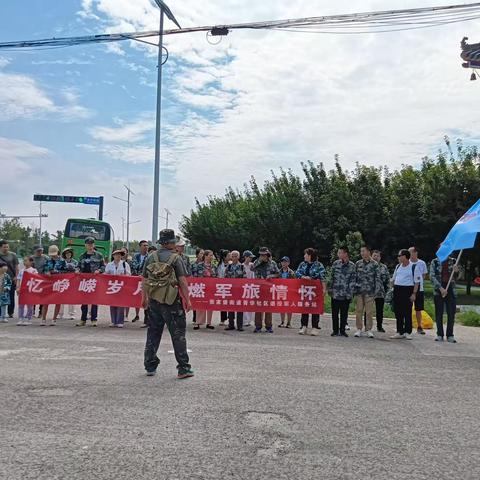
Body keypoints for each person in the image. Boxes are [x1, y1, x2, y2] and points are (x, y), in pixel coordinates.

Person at [142, 229, 194, 379]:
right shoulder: (176, 258)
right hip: (172, 301)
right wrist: (187, 299)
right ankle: (183, 368)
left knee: (153, 332)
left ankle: (150, 365)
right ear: (171, 243)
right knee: (178, 334)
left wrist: (144, 298)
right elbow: (182, 281)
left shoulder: (151, 257)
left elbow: (144, 279)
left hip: (154, 300)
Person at [390, 249, 421, 340]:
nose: (398, 257)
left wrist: (414, 294)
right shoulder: (398, 266)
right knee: (398, 312)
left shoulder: (414, 267)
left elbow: (417, 282)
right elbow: (394, 278)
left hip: (407, 290)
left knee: (407, 312)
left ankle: (408, 332)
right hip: (397, 290)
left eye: (399, 256)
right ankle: (400, 331)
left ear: (405, 256)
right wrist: (391, 286)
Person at [295, 248, 326, 336]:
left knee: (315, 308)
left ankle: (315, 327)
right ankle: (304, 326)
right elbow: (297, 273)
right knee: (304, 307)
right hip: (304, 289)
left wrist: (324, 289)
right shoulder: (302, 264)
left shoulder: (319, 265)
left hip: (315, 290)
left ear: (310, 256)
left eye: (306, 254)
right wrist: (303, 277)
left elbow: (323, 277)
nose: (304, 256)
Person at [430, 254, 459, 343]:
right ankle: (440, 334)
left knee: (451, 313)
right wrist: (440, 288)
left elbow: (457, 277)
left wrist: (456, 271)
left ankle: (450, 335)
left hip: (450, 288)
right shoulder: (435, 261)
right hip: (439, 289)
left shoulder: (454, 261)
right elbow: (432, 276)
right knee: (439, 313)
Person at [354, 246, 382, 338]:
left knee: (369, 311)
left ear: (368, 252)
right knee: (359, 310)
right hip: (359, 291)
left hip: (370, 291)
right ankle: (359, 329)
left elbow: (378, 278)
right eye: (361, 251)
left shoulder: (374, 264)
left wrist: (376, 291)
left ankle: (369, 329)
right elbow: (355, 277)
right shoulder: (358, 263)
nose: (361, 253)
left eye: (363, 251)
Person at [76, 237, 105, 327]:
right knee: (84, 301)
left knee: (94, 300)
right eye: (88, 244)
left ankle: (94, 319)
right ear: (85, 245)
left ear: (94, 245)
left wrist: (99, 271)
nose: (90, 246)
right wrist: (77, 270)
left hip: (94, 281)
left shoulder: (99, 255)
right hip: (84, 281)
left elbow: (103, 267)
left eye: (92, 244)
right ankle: (83, 319)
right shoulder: (82, 256)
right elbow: (78, 266)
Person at [328, 247, 356, 337]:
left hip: (345, 294)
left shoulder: (352, 266)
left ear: (345, 254)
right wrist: (330, 289)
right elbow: (331, 277)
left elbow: (353, 280)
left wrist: (349, 293)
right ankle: (335, 330)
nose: (338, 254)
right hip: (335, 293)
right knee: (334, 313)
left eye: (340, 252)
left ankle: (342, 330)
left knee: (344, 314)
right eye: (338, 253)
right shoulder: (336, 264)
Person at [252, 247, 279, 333]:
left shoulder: (272, 263)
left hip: (268, 288)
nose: (263, 256)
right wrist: (260, 261)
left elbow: (278, 273)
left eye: (264, 254)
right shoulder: (257, 262)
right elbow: (251, 268)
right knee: (258, 307)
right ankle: (258, 326)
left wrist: (271, 276)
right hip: (258, 288)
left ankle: (269, 326)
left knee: (268, 308)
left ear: (267, 254)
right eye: (261, 254)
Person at [105, 249, 131, 328]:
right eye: (116, 255)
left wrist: (124, 275)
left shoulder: (125, 264)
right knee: (112, 304)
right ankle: (113, 321)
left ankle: (120, 321)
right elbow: (105, 274)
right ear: (113, 256)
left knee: (121, 304)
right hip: (112, 286)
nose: (118, 256)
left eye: (120, 255)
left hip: (121, 286)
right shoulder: (109, 264)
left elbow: (129, 275)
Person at [192, 249, 216, 330]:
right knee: (199, 304)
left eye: (212, 255)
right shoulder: (199, 265)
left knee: (210, 304)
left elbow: (216, 277)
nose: (212, 257)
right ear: (205, 256)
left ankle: (209, 323)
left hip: (211, 288)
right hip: (201, 287)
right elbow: (195, 276)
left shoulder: (213, 266)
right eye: (210, 255)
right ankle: (198, 322)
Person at [225, 250, 246, 331]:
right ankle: (231, 325)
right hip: (230, 290)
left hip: (239, 290)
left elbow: (245, 278)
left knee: (240, 308)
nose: (234, 258)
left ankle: (240, 326)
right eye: (232, 256)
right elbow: (225, 277)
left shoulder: (242, 266)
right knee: (230, 308)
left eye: (235, 256)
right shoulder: (229, 266)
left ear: (238, 257)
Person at [409, 246, 428, 335]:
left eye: (411, 252)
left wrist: (418, 282)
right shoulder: (407, 263)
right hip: (408, 288)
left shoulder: (422, 263)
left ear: (416, 253)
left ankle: (419, 326)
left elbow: (424, 275)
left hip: (419, 289)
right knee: (407, 308)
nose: (409, 254)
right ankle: (407, 325)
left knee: (418, 309)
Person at [41, 245, 62, 326]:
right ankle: (43, 319)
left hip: (59, 283)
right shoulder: (48, 261)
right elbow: (44, 270)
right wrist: (47, 272)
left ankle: (54, 319)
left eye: (54, 254)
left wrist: (56, 272)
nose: (53, 255)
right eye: (52, 254)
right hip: (48, 283)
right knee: (46, 301)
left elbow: (66, 270)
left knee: (58, 302)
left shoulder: (62, 261)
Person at [371, 250, 390, 333]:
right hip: (369, 292)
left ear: (380, 257)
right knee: (368, 310)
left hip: (380, 293)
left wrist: (387, 291)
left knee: (380, 311)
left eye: (377, 256)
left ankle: (379, 326)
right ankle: (367, 326)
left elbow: (387, 280)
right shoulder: (369, 266)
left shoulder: (383, 267)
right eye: (374, 255)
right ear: (371, 256)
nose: (376, 257)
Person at [56, 248, 78, 320]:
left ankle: (72, 314)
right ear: (64, 255)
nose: (68, 254)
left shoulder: (75, 262)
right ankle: (60, 314)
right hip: (62, 282)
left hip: (72, 282)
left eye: (69, 253)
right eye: (66, 253)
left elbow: (77, 270)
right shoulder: (61, 262)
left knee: (72, 299)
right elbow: (57, 269)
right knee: (61, 298)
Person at [131, 240, 150, 324]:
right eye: (144, 245)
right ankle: (136, 315)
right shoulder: (136, 256)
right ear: (140, 247)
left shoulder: (150, 257)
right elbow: (134, 266)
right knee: (137, 297)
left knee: (147, 298)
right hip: (136, 279)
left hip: (147, 280)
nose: (146, 247)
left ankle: (147, 320)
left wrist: (144, 274)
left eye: (147, 245)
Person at [0, 240, 19, 319]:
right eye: (4, 247)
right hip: (1, 279)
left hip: (11, 279)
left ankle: (10, 312)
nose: (6, 248)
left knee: (11, 296)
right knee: (1, 296)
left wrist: (16, 277)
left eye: (7, 247)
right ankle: (1, 313)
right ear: (0, 247)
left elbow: (16, 267)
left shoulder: (13, 255)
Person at [16, 256, 38, 325]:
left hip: (29, 290)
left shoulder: (34, 270)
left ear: (31, 262)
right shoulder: (22, 270)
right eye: (24, 261)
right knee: (21, 305)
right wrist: (17, 287)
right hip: (22, 290)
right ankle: (20, 318)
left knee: (30, 305)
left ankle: (29, 318)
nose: (24, 262)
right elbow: (18, 279)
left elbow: (36, 280)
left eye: (26, 260)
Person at [278, 256, 295, 328]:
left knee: (289, 307)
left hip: (289, 292)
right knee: (282, 307)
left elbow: (294, 282)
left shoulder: (291, 272)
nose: (284, 263)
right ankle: (282, 322)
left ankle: (289, 322)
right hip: (281, 291)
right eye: (282, 261)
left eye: (285, 261)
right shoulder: (278, 272)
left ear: (288, 263)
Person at [32, 245, 48, 317]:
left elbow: (49, 266)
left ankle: (41, 312)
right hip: (34, 280)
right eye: (38, 251)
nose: (40, 252)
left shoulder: (45, 258)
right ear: (35, 251)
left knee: (42, 296)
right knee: (34, 296)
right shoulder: (31, 258)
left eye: (41, 250)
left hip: (43, 279)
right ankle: (32, 311)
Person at [216, 250, 231, 326]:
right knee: (223, 303)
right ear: (224, 257)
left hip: (231, 286)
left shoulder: (231, 264)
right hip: (222, 286)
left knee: (231, 303)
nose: (230, 257)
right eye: (228, 256)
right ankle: (223, 319)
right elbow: (218, 275)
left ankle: (231, 319)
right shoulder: (219, 265)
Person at [242, 250, 256, 327]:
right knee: (244, 304)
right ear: (245, 257)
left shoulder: (252, 265)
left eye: (251, 257)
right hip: (244, 287)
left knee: (250, 304)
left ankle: (249, 320)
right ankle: (244, 321)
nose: (250, 259)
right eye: (249, 257)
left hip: (251, 287)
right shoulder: (241, 266)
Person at [191, 248, 204, 324]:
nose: (202, 255)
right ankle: (195, 318)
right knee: (195, 302)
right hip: (195, 285)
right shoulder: (193, 264)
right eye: (201, 253)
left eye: (203, 253)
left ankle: (201, 319)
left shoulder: (204, 264)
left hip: (203, 285)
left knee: (202, 302)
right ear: (197, 255)